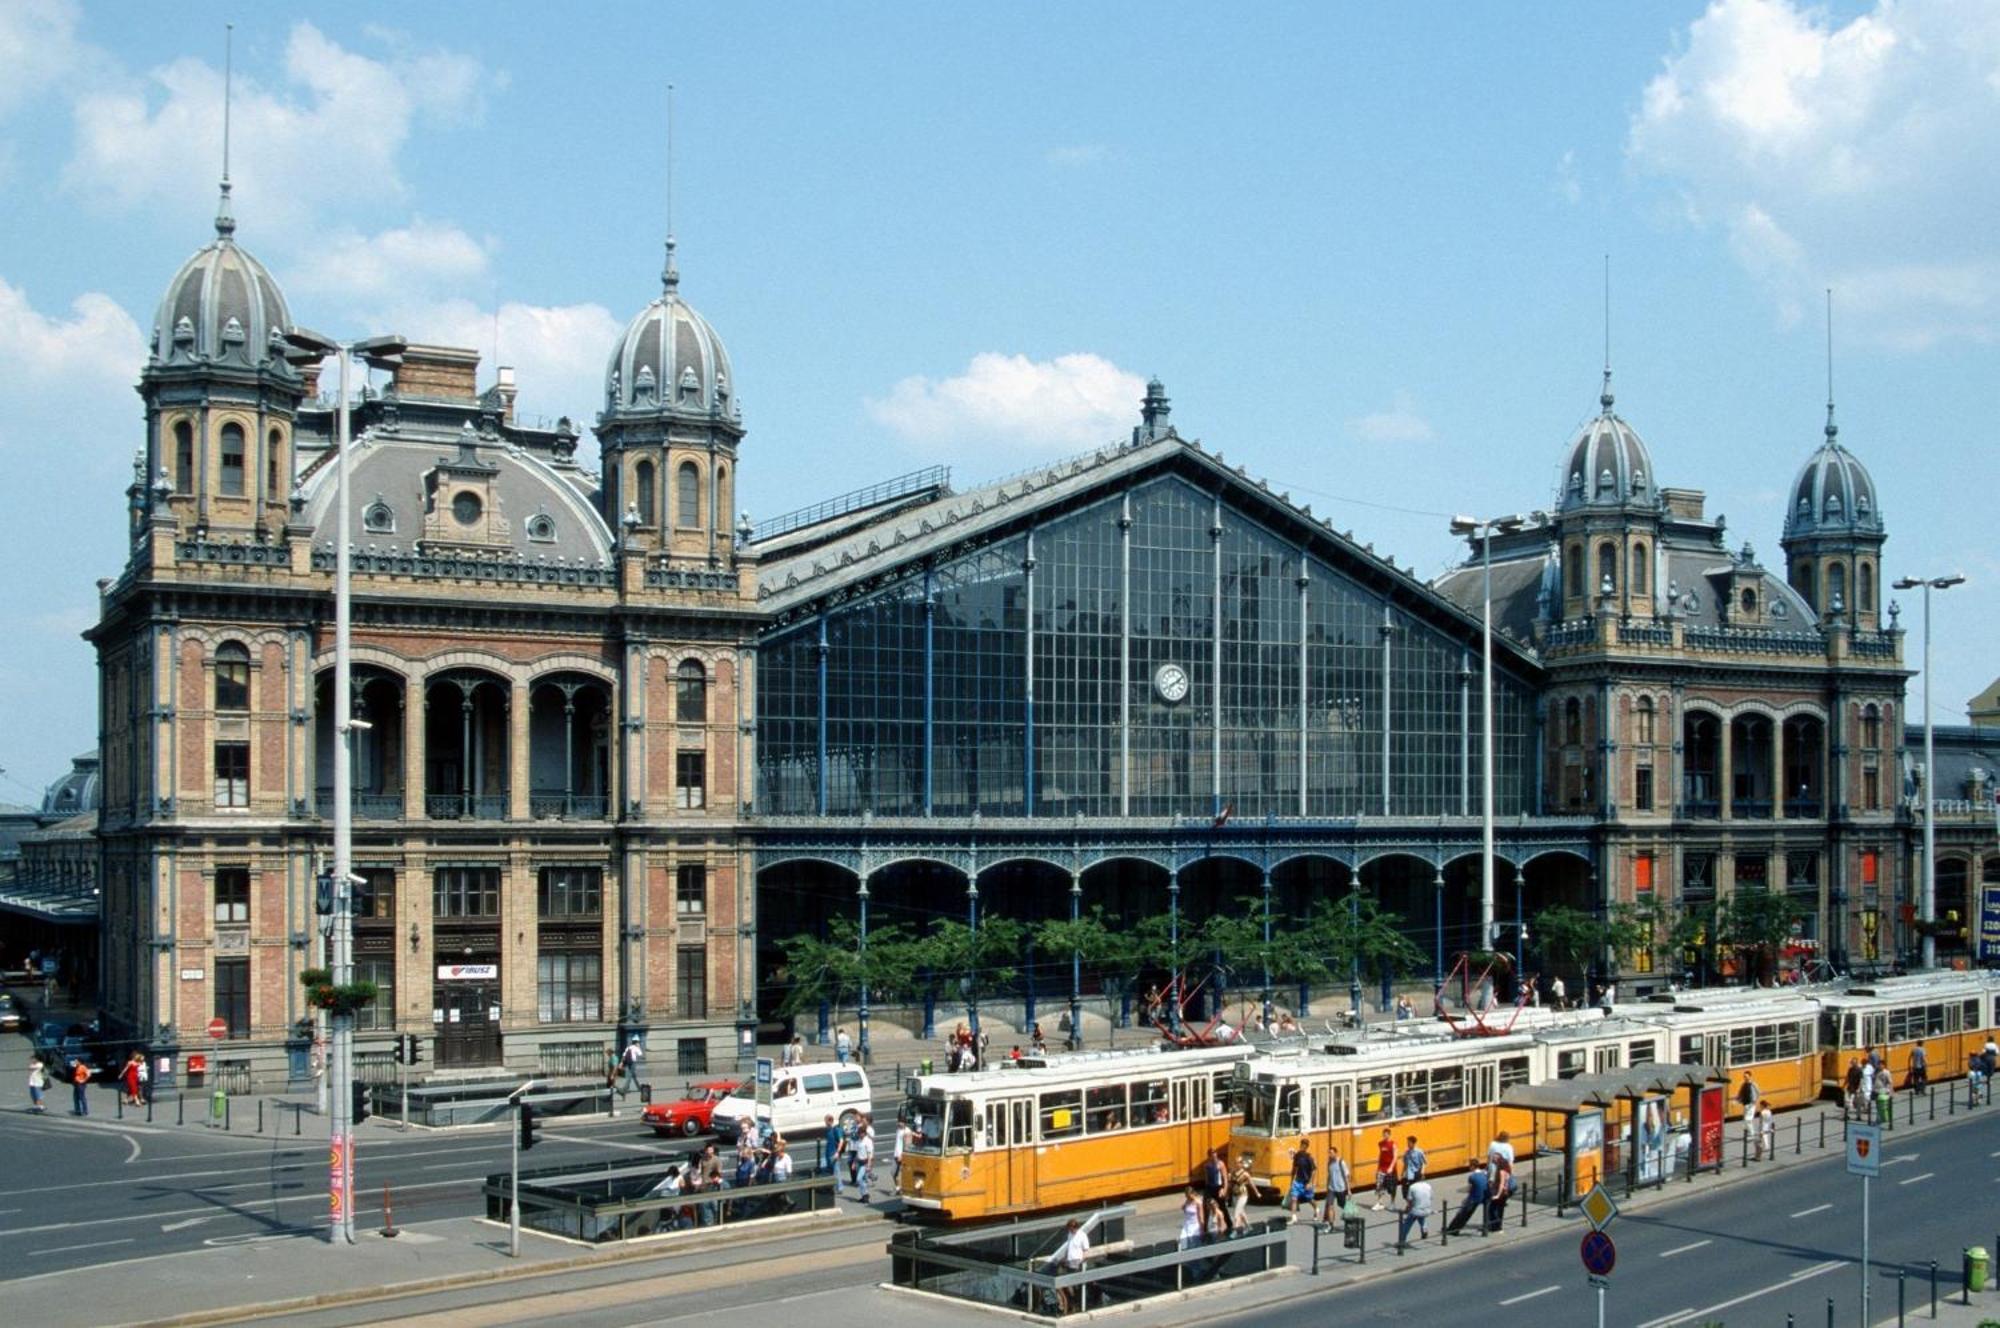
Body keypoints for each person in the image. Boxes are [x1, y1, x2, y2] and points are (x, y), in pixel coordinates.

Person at [1050, 1217, 1091, 1314]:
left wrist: (1081, 1262)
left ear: (1075, 1227)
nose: (1070, 1231)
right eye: (1069, 1229)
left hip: (1077, 1264)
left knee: (1074, 1287)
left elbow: (1086, 1251)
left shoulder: (1082, 1236)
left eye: (1071, 1229)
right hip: (1069, 1262)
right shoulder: (1070, 1235)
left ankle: (1074, 1305)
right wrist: (1064, 1259)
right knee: (1065, 1284)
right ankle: (1066, 1304)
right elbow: (1069, 1248)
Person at [1447, 1164, 1490, 1235]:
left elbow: (1470, 1188)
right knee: (1468, 1214)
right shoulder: (1484, 1174)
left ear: (1473, 1167)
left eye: (1470, 1167)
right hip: (1483, 1197)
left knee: (1462, 1214)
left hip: (1473, 1198)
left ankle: (1453, 1229)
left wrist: (1465, 1199)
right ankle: (1485, 1230)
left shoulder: (1472, 1176)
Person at [1284, 1138, 1316, 1222]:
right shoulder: (1297, 1156)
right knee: (1294, 1198)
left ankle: (1316, 1209)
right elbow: (1294, 1168)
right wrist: (1292, 1180)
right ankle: (1294, 1217)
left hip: (1306, 1182)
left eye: (1304, 1145)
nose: (1303, 1146)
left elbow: (1313, 1171)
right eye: (1302, 1145)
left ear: (1307, 1147)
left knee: (1310, 1199)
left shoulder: (1309, 1157)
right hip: (1298, 1181)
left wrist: (1310, 1182)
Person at [1228, 1151, 1259, 1234]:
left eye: (1238, 1163)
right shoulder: (1232, 1173)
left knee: (1236, 1213)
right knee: (1241, 1212)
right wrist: (1227, 1194)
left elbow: (1252, 1184)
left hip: (1243, 1195)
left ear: (1241, 1164)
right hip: (1235, 1195)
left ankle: (1235, 1230)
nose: (1236, 1164)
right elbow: (1230, 1184)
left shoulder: (1245, 1174)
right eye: (1235, 1163)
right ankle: (1248, 1226)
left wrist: (1257, 1192)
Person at [1201, 1145, 1229, 1237]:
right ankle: (1205, 1229)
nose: (1214, 1156)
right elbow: (1206, 1178)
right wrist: (1206, 1190)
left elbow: (1225, 1178)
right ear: (1209, 1156)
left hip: (1218, 1187)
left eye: (1215, 1154)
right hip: (1209, 1187)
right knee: (1206, 1206)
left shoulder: (1220, 1164)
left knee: (1222, 1207)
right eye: (1211, 1154)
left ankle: (1229, 1226)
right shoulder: (1207, 1165)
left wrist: (1224, 1189)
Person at [1397, 1177, 1433, 1247]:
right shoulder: (1428, 1186)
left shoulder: (1412, 1187)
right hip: (1427, 1210)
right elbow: (1431, 1198)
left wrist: (1407, 1209)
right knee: (1421, 1215)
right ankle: (1424, 1229)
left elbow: (1409, 1201)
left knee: (1407, 1224)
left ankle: (1402, 1241)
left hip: (1416, 1210)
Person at [1321, 1144, 1350, 1224]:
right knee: (1330, 1206)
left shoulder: (1341, 1162)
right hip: (1332, 1188)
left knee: (1342, 1205)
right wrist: (1327, 1188)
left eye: (1331, 1153)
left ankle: (1349, 1216)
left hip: (1340, 1188)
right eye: (1329, 1153)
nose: (1330, 1155)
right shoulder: (1329, 1163)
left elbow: (1347, 1176)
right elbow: (1329, 1176)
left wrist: (1349, 1190)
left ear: (1336, 1153)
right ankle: (1331, 1225)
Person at [1484, 1160, 1513, 1232]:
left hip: (1500, 1194)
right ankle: (1497, 1227)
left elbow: (1501, 1184)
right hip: (1504, 1194)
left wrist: (1497, 1195)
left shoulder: (1501, 1171)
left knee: (1492, 1209)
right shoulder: (1507, 1172)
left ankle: (1495, 1227)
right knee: (1499, 1210)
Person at [853, 1114, 876, 1200]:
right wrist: (854, 1163)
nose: (860, 1135)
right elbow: (857, 1152)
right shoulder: (859, 1141)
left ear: (864, 1133)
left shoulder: (867, 1141)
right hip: (859, 1162)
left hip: (865, 1163)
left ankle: (865, 1193)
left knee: (859, 1179)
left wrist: (869, 1164)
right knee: (862, 1179)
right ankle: (864, 1196)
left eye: (861, 1134)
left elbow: (869, 1153)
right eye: (859, 1134)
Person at [1372, 1128, 1397, 1209]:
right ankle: (1379, 1203)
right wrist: (1378, 1167)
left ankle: (1392, 1203)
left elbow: (1395, 1157)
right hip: (1382, 1168)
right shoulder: (1380, 1144)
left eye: (1386, 1134)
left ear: (1389, 1135)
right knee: (1379, 1185)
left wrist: (1391, 1167)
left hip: (1390, 1169)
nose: (1384, 1136)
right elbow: (1380, 1155)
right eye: (1383, 1134)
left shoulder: (1393, 1144)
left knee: (1391, 1186)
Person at [1399, 1134, 1427, 1201]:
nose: (1408, 1144)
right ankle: (1409, 1205)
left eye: (1409, 1143)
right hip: (1408, 1174)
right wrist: (1402, 1174)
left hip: (1416, 1174)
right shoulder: (1406, 1152)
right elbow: (1405, 1164)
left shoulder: (1419, 1152)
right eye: (1407, 1143)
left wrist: (1422, 1173)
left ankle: (1414, 1206)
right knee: (1405, 1191)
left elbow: (1424, 1163)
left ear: (1413, 1143)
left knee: (1415, 1191)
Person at [1177, 1185, 1205, 1250]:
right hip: (1187, 1225)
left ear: (1192, 1194)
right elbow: (1184, 1208)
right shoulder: (1187, 1201)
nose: (1187, 1198)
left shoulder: (1198, 1202)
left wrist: (1202, 1230)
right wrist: (1184, 1207)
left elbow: (1201, 1217)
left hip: (1195, 1225)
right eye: (1186, 1196)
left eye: (1188, 1196)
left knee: (1194, 1246)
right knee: (1183, 1241)